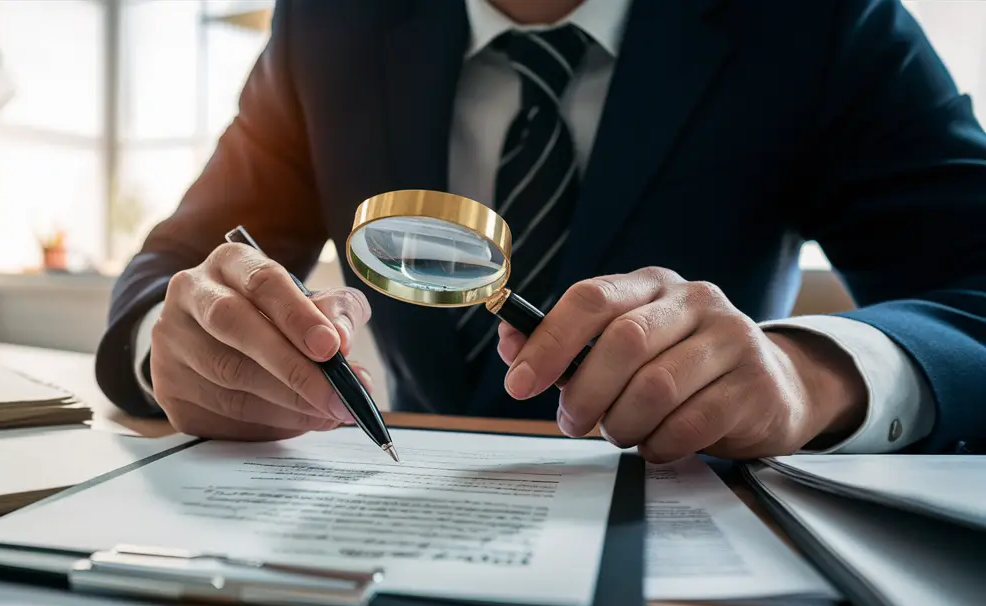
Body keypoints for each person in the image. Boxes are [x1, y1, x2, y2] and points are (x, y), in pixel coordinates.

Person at [94, 0, 986, 463]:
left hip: (687, 550)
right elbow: (180, 262)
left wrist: (809, 377)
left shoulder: (817, 20)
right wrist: (171, 348)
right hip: (388, 524)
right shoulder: (329, 23)